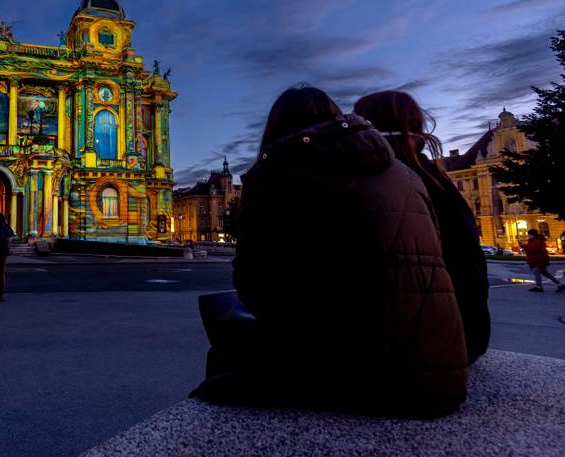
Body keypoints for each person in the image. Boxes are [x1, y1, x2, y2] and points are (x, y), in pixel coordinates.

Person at [192, 86, 468, 419]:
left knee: (226, 349)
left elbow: (254, 286)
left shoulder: (276, 172)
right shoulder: (405, 173)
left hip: (372, 381)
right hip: (442, 376)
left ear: (274, 129)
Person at [354, 90, 490, 363]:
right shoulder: (437, 181)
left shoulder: (366, 181)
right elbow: (470, 267)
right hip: (462, 337)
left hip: (398, 348)